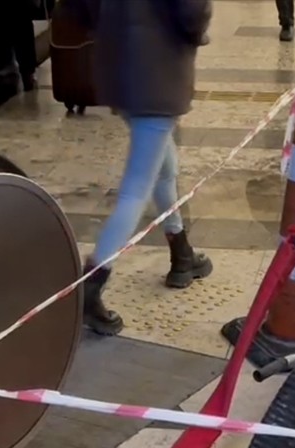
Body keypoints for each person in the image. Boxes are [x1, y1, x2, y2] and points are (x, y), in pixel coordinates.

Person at [72, 0, 213, 337]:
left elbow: (77, 8)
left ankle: (182, 254)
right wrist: (196, 33)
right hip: (157, 74)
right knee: (135, 192)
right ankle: (89, 289)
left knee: (163, 168)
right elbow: (193, 11)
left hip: (119, 73)